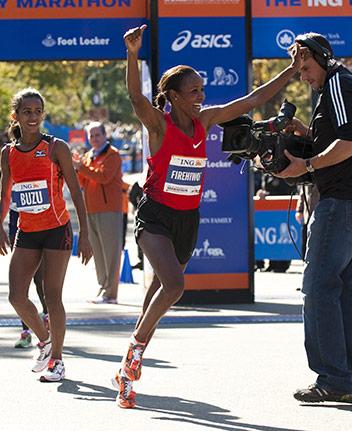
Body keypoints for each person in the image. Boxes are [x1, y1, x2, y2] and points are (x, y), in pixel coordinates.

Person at [111, 24, 303, 409]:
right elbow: (135, 96)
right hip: (156, 216)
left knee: (157, 294)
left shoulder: (207, 121)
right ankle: (133, 355)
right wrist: (132, 55)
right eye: (195, 91)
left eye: (202, 89)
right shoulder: (159, 125)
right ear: (174, 97)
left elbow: (251, 100)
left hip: (188, 219)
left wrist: (291, 71)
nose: (202, 95)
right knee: (175, 286)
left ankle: (125, 373)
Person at [0, 88, 93, 382]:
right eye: (27, 112)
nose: (33, 117)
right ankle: (47, 341)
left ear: (43, 115)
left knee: (52, 296)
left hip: (57, 229)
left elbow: (76, 191)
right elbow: (5, 192)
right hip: (27, 231)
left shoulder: (55, 147)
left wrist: (84, 235)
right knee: (16, 297)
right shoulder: (7, 153)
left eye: (37, 111)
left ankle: (58, 360)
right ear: (16, 116)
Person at [274, 32, 352, 404]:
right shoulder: (335, 88)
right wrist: (307, 133)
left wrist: (305, 163)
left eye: (305, 67)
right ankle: (344, 377)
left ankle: (333, 379)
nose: (303, 76)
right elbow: (338, 139)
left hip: (339, 203)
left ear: (322, 58)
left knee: (318, 288)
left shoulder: (338, 84)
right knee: (342, 292)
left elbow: (349, 143)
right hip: (344, 202)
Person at [0, 195, 49, 348]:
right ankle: (26, 333)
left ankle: (46, 315)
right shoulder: (7, 170)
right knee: (21, 284)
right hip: (16, 220)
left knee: (39, 280)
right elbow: (2, 195)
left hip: (40, 217)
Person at [72, 122, 123, 305]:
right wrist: (77, 167)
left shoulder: (113, 155)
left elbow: (104, 177)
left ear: (105, 135)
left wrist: (81, 167)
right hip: (91, 209)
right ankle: (103, 289)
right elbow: (82, 181)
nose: (94, 138)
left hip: (109, 209)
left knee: (110, 252)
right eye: (91, 135)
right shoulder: (88, 156)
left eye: (97, 135)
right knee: (99, 254)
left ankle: (111, 294)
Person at [295, 184, 319, 258]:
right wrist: (299, 210)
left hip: (319, 215)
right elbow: (302, 194)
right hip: (307, 215)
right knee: (304, 244)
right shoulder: (306, 178)